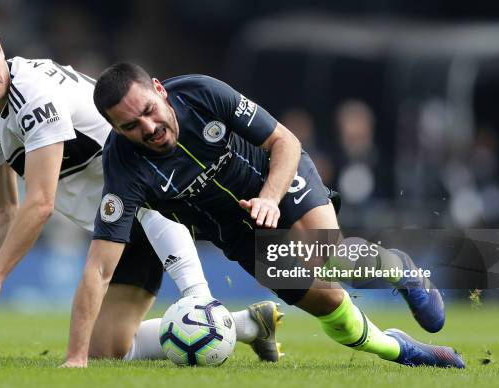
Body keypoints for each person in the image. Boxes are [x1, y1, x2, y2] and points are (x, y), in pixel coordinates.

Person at [0, 14, 284, 365]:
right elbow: (0, 208)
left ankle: (216, 303)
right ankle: (246, 323)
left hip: (166, 200)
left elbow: (41, 203)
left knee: (313, 270)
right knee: (107, 348)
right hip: (117, 225)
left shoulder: (33, 95)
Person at [57, 62, 465, 368]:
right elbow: (98, 267)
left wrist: (270, 197)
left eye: (148, 109)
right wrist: (77, 356)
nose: (149, 127)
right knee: (327, 301)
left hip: (278, 176)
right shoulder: (123, 168)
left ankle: (401, 269)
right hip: (237, 232)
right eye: (131, 125)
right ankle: (401, 349)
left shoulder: (202, 93)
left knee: (327, 256)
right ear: (115, 128)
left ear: (159, 90)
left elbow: (282, 140)